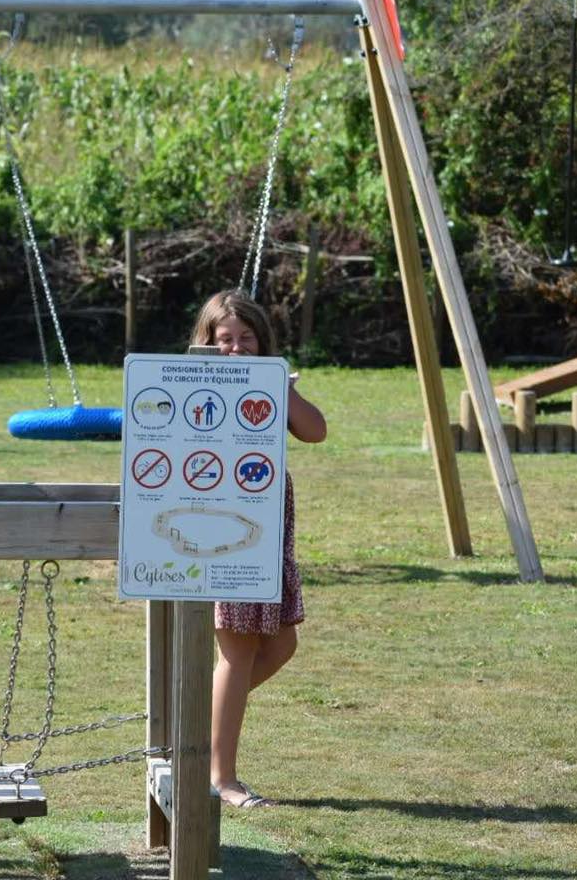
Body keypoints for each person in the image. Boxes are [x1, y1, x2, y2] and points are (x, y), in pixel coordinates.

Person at [190, 289, 326, 809]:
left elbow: (316, 431)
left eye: (247, 339)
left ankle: (197, 731)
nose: (237, 350)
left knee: (280, 645)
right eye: (225, 340)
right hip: (226, 523)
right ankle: (222, 777)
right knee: (239, 647)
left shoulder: (270, 384)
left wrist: (280, 386)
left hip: (269, 523)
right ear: (207, 344)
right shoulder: (198, 382)